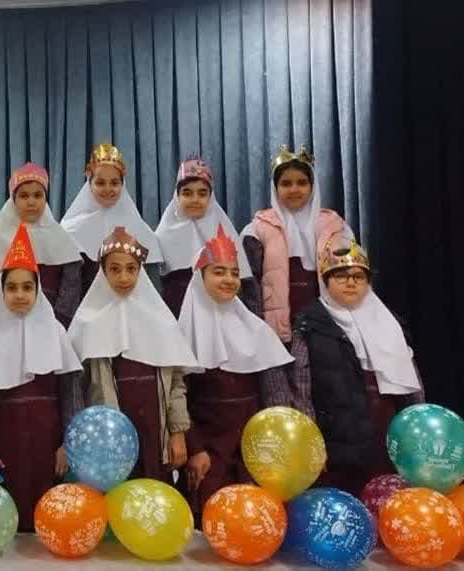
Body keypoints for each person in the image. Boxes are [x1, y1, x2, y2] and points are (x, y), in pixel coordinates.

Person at [262, 239, 424, 496]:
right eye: (341, 276)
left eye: (358, 277)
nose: (350, 283)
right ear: (326, 281)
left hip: (386, 432)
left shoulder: (390, 323)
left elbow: (411, 383)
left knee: (388, 498)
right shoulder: (309, 324)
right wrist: (311, 443)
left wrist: (418, 430)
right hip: (337, 440)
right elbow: (301, 389)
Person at [173, 225, 292, 518]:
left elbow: (274, 395)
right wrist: (195, 449)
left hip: (252, 447)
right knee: (212, 519)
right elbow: (178, 399)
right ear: (200, 278)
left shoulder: (257, 330)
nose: (228, 280)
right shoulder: (184, 335)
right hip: (208, 450)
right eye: (219, 272)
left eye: (234, 273)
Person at [0, 224, 83, 532]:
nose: (19, 295)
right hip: (6, 442)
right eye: (12, 288)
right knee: (11, 520)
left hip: (49, 441)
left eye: (27, 287)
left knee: (49, 517)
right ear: (1, 291)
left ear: (37, 290)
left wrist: (67, 444)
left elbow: (70, 393)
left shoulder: (56, 332)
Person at [68, 227, 197, 484]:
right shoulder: (87, 324)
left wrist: (178, 432)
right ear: (103, 272)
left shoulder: (161, 322)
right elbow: (76, 393)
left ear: (140, 271)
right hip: (110, 438)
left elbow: (175, 384)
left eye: (131, 268)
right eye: (115, 269)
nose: (124, 277)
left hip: (155, 428)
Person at [241, 146, 355, 342]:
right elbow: (249, 285)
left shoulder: (335, 226)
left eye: (301, 182)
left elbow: (352, 275)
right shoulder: (257, 229)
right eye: (286, 183)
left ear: (312, 186)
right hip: (275, 328)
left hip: (326, 323)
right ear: (275, 188)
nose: (294, 189)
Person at [0, 162, 84, 327]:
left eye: (37, 195)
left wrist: (56, 324)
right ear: (13, 200)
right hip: (8, 325)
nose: (31, 202)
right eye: (24, 196)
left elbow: (70, 289)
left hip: (53, 326)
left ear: (45, 198)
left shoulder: (60, 238)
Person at [154, 157, 255, 315]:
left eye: (202, 194)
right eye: (187, 193)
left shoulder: (224, 231)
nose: (195, 200)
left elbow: (240, 283)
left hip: (218, 311)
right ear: (177, 196)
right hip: (175, 312)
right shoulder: (162, 234)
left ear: (210, 197)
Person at [60, 143, 163, 293]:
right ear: (89, 184)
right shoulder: (70, 229)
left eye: (114, 183)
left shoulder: (141, 231)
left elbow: (153, 289)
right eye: (100, 183)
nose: (108, 189)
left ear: (123, 184)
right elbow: (68, 288)